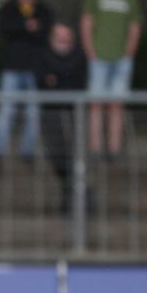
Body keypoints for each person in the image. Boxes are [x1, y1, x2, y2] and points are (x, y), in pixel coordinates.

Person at [0, 0, 53, 174]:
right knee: (6, 112)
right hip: (12, 69)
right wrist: (26, 27)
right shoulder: (9, 9)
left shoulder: (44, 10)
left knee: (33, 114)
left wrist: (30, 29)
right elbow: (5, 30)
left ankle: (27, 152)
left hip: (35, 70)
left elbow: (45, 33)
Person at [81, 0, 142, 162]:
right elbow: (87, 22)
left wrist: (129, 52)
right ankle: (95, 148)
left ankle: (114, 149)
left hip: (122, 59)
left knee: (117, 104)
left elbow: (135, 26)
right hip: (98, 57)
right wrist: (90, 50)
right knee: (96, 103)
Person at [36, 23, 88, 215]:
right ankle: (67, 190)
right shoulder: (42, 56)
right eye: (59, 37)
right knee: (55, 153)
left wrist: (56, 77)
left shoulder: (79, 56)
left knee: (76, 154)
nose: (63, 42)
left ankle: (74, 197)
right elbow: (42, 79)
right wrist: (59, 76)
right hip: (50, 112)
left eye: (67, 38)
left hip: (75, 112)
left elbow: (75, 79)